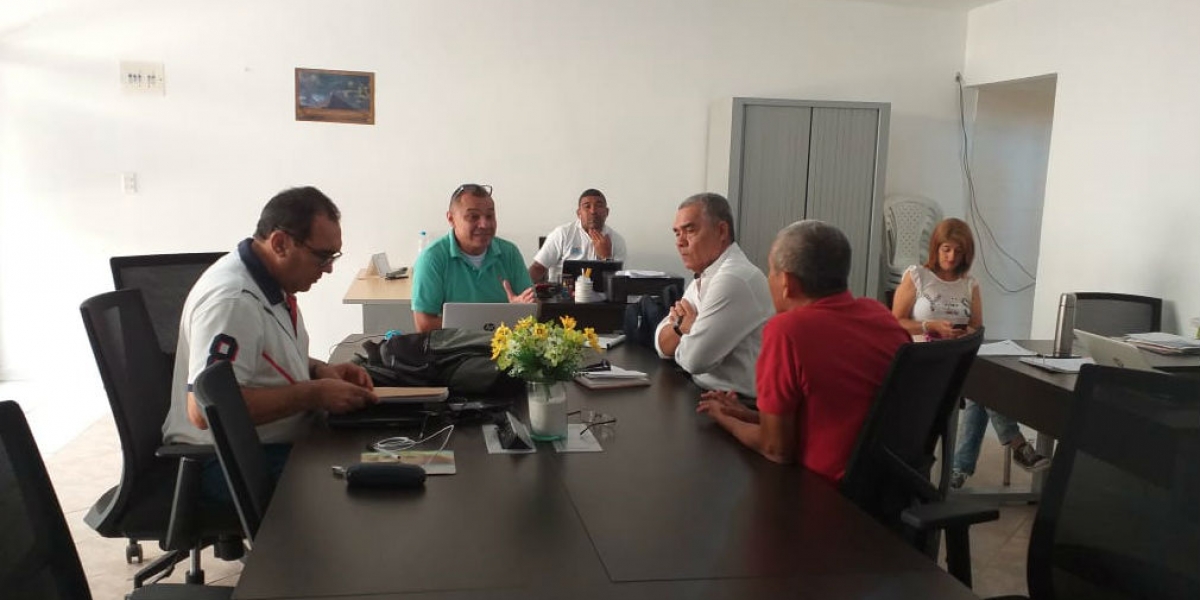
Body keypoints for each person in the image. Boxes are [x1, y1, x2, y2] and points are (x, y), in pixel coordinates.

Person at [163, 186, 379, 499]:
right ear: (280, 243)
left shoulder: (273, 285)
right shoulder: (233, 301)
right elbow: (206, 408)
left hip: (268, 445)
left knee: (374, 456)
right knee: (353, 491)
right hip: (224, 461)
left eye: (333, 256)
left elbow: (260, 357)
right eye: (322, 256)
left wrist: (318, 370)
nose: (330, 268)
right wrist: (313, 394)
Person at [697, 220, 910, 480]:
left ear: (786, 282)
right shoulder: (880, 314)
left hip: (825, 492)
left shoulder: (787, 331)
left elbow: (777, 449)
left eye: (771, 272)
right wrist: (747, 414)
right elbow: (831, 415)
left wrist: (725, 419)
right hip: (885, 482)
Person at [890, 217, 1049, 488]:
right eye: (946, 249)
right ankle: (1017, 444)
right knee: (981, 385)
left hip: (958, 358)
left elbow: (977, 326)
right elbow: (894, 322)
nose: (952, 257)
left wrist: (965, 333)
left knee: (979, 384)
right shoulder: (917, 275)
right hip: (923, 361)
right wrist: (931, 325)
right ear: (936, 248)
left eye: (958, 251)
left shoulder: (970, 284)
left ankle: (960, 470)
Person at [655, 193, 773, 397]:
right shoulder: (703, 277)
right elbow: (662, 347)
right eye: (676, 233)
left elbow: (693, 360)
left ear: (721, 231)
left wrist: (688, 329)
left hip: (742, 405)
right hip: (705, 393)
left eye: (689, 230)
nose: (680, 242)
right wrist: (684, 328)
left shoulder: (735, 277)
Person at [411, 183, 535, 332]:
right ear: (451, 219)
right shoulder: (432, 258)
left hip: (505, 348)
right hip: (452, 350)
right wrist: (485, 324)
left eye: (490, 216)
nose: (484, 224)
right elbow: (424, 325)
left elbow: (534, 307)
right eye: (473, 217)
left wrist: (523, 310)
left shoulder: (509, 253)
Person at [528, 188, 627, 283]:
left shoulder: (617, 240)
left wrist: (607, 257)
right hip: (563, 296)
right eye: (587, 206)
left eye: (599, 206)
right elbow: (538, 268)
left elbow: (619, 282)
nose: (593, 211)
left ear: (607, 212)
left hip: (602, 298)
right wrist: (520, 293)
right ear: (579, 213)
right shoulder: (562, 234)